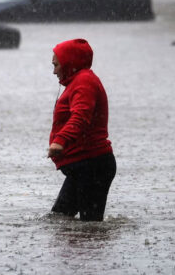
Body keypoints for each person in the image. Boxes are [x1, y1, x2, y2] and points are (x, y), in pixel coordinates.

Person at [48, 38, 116, 221]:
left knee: (90, 226)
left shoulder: (84, 82)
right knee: (59, 220)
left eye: (56, 65)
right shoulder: (78, 81)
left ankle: (94, 250)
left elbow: (80, 117)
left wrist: (60, 141)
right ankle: (77, 250)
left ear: (69, 62)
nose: (54, 71)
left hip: (93, 164)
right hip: (84, 166)